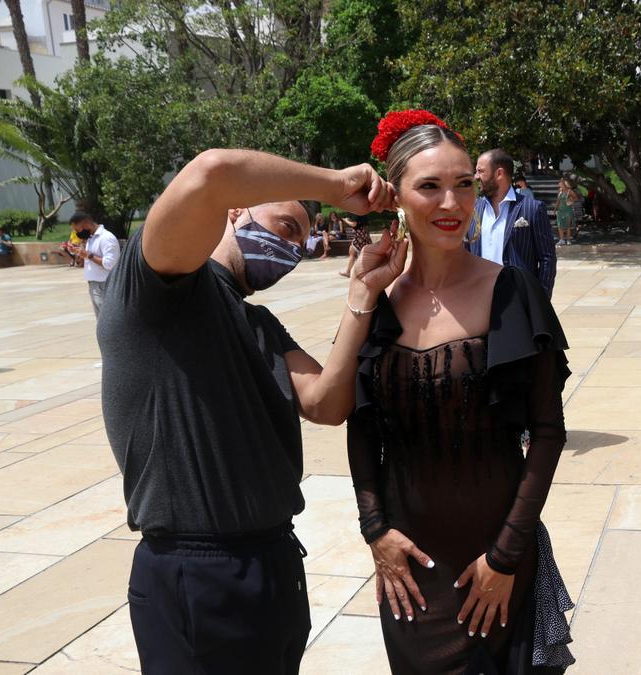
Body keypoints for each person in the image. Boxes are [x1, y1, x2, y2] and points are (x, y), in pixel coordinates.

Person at [96, 148, 405, 673]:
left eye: (298, 241)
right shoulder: (159, 288)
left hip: (274, 560)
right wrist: (332, 186)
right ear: (237, 212)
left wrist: (363, 291)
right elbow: (211, 174)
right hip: (197, 568)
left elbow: (327, 402)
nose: (289, 247)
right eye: (285, 225)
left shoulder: (259, 324)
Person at [349, 110, 575, 673]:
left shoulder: (512, 292)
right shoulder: (376, 298)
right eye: (429, 186)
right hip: (411, 573)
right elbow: (361, 425)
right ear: (396, 196)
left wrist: (505, 556)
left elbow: (547, 433)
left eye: (464, 185)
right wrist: (375, 531)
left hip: (493, 563)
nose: (451, 204)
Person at [471, 149, 557, 297]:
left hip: (517, 300)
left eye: (480, 171)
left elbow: (547, 258)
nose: (476, 177)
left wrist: (540, 302)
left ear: (499, 173)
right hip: (478, 299)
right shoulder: (473, 209)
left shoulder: (532, 208)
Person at [71, 213, 120, 317]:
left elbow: (110, 264)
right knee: (101, 322)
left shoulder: (106, 238)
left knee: (108, 320)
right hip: (94, 285)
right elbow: (89, 260)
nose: (76, 233)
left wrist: (88, 255)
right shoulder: (91, 238)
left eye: (77, 230)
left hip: (104, 285)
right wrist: (80, 254)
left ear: (86, 225)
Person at [554, 177, 579, 246]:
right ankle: (561, 240)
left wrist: (570, 200)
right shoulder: (559, 190)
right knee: (560, 225)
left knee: (568, 226)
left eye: (560, 183)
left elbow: (576, 198)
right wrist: (555, 209)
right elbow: (558, 200)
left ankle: (568, 240)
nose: (559, 184)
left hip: (568, 210)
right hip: (560, 210)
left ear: (564, 184)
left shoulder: (570, 191)